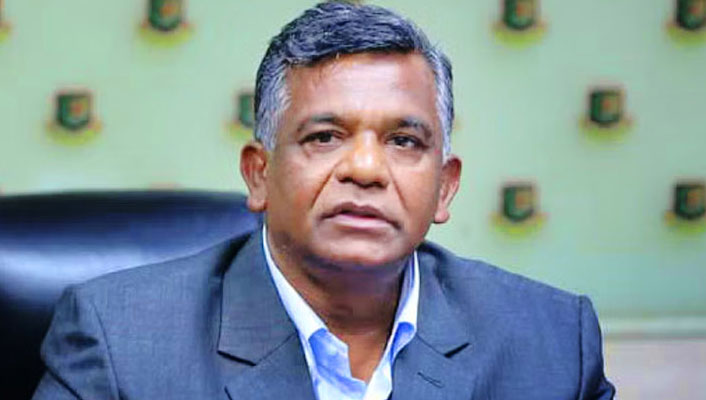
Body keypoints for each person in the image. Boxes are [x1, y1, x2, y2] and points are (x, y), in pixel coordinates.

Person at [33, 2, 615, 399]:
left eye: (403, 141)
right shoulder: (119, 342)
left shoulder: (552, 344)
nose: (365, 169)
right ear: (259, 174)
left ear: (445, 187)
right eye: (324, 137)